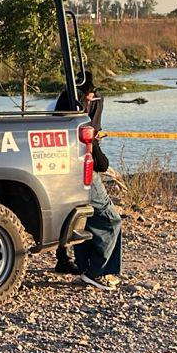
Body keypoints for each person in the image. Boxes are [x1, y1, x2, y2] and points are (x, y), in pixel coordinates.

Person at [55, 76, 122, 290]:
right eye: (90, 96)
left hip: (64, 171)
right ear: (83, 95)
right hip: (84, 171)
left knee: (86, 219)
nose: (93, 99)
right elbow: (94, 153)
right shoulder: (78, 113)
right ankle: (99, 272)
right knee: (110, 220)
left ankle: (85, 268)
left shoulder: (59, 108)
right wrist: (102, 161)